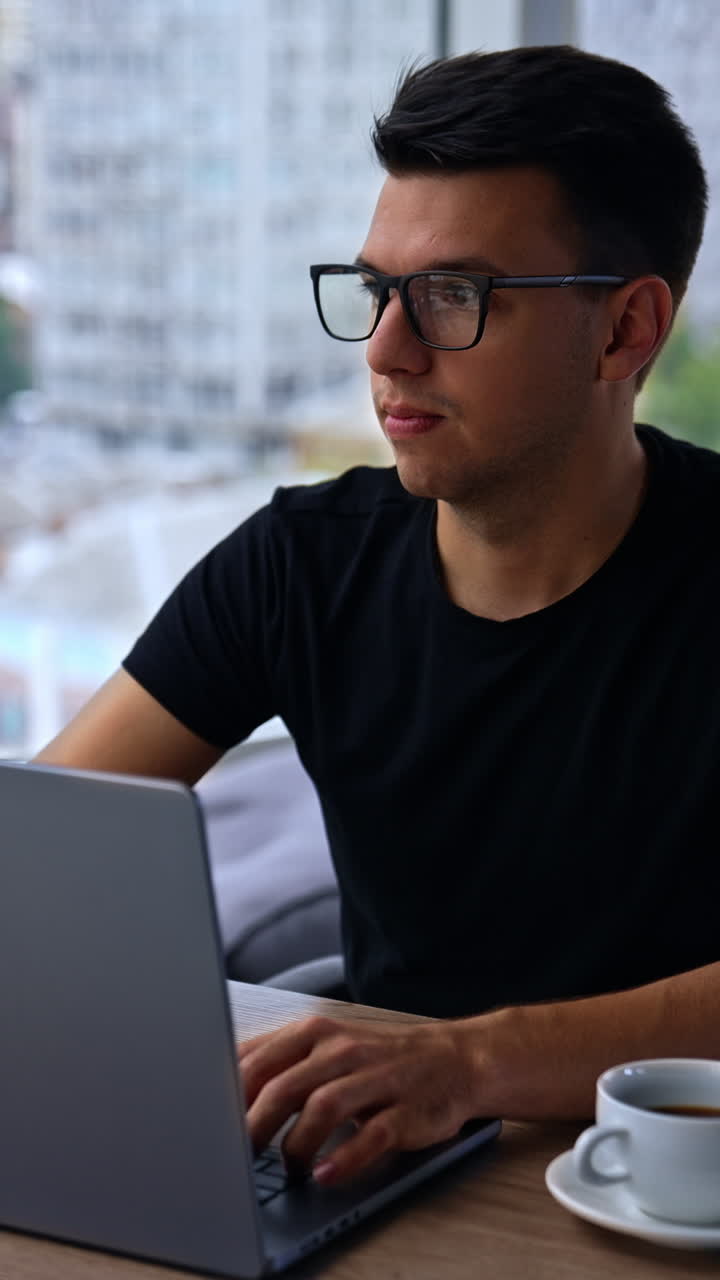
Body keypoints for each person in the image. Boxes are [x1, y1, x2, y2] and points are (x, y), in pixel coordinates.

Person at [36, 44, 720, 1186]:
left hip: (677, 1185)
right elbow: (43, 847)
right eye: (375, 292)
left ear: (625, 331)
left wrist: (470, 1061)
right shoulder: (300, 564)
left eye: (454, 296)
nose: (387, 353)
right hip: (395, 1172)